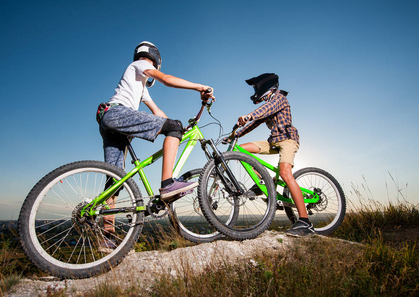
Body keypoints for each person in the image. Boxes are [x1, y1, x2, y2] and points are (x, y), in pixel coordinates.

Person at [97, 41, 214, 201]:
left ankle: (106, 226)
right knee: (173, 127)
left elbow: (157, 112)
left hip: (109, 119)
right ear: (156, 59)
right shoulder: (140, 64)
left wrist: (179, 130)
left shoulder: (140, 85)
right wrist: (200, 87)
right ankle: (167, 184)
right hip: (117, 113)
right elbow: (166, 79)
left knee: (114, 180)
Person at [233, 73, 315, 237]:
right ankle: (263, 180)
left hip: (287, 140)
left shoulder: (279, 98)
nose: (256, 91)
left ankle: (306, 222)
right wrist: (235, 135)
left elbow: (264, 110)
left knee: (285, 173)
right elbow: (255, 123)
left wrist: (248, 115)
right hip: (273, 141)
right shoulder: (269, 103)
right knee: (239, 150)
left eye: (257, 87)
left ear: (266, 87)